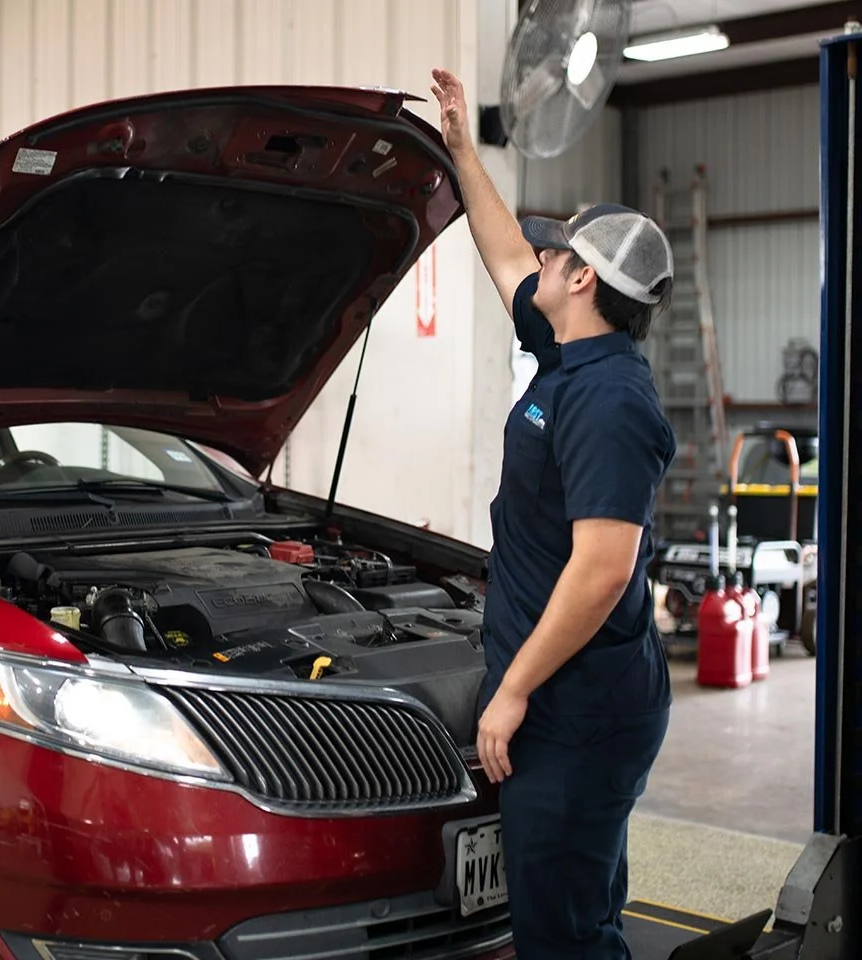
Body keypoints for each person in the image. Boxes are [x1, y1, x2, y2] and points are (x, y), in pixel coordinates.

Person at [430, 67, 677, 959]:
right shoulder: (569, 353)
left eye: (558, 252)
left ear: (581, 280)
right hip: (570, 704)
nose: (540, 257)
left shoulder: (611, 402)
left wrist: (514, 690)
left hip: (576, 713)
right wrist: (463, 148)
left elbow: (604, 570)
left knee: (562, 936)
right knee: (581, 911)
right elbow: (503, 255)